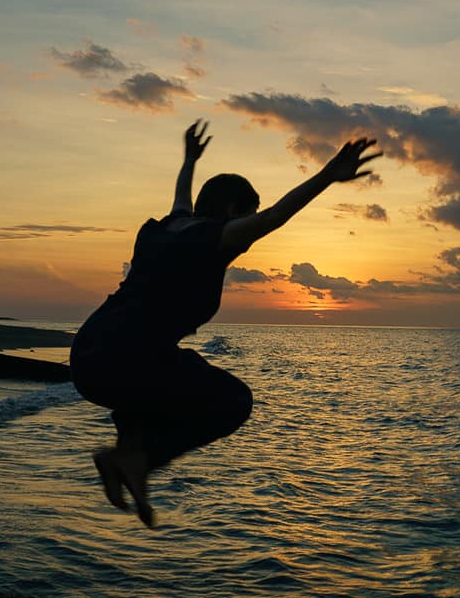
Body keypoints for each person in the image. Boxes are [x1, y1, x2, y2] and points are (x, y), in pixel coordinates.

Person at [69, 119, 380, 527]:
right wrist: (328, 175)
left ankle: (132, 462)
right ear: (233, 212)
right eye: (243, 218)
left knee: (184, 367)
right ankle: (134, 460)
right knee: (233, 400)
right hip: (122, 363)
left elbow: (182, 196)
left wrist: (189, 159)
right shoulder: (215, 238)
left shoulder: (168, 227)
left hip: (91, 353)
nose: (244, 234)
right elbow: (275, 217)